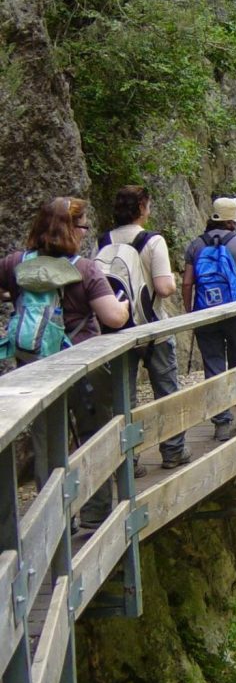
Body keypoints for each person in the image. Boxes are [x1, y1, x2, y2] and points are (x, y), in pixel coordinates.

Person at [0, 196, 129, 528]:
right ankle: (94, 510)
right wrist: (124, 304)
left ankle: (55, 518)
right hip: (80, 366)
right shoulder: (84, 269)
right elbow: (112, 318)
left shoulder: (15, 264)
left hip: (35, 368)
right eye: (83, 226)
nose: (85, 233)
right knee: (92, 434)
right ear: (70, 229)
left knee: (46, 439)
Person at [101, 186, 192, 471]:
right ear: (141, 207)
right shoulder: (153, 241)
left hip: (119, 331)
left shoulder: (103, 241)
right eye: (148, 205)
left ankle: (128, 461)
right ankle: (173, 451)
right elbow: (164, 288)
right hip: (154, 329)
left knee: (124, 398)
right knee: (166, 391)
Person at [182, 198, 236, 441]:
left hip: (205, 313)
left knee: (214, 366)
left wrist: (190, 312)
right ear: (231, 221)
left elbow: (186, 283)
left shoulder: (196, 245)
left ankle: (221, 423)